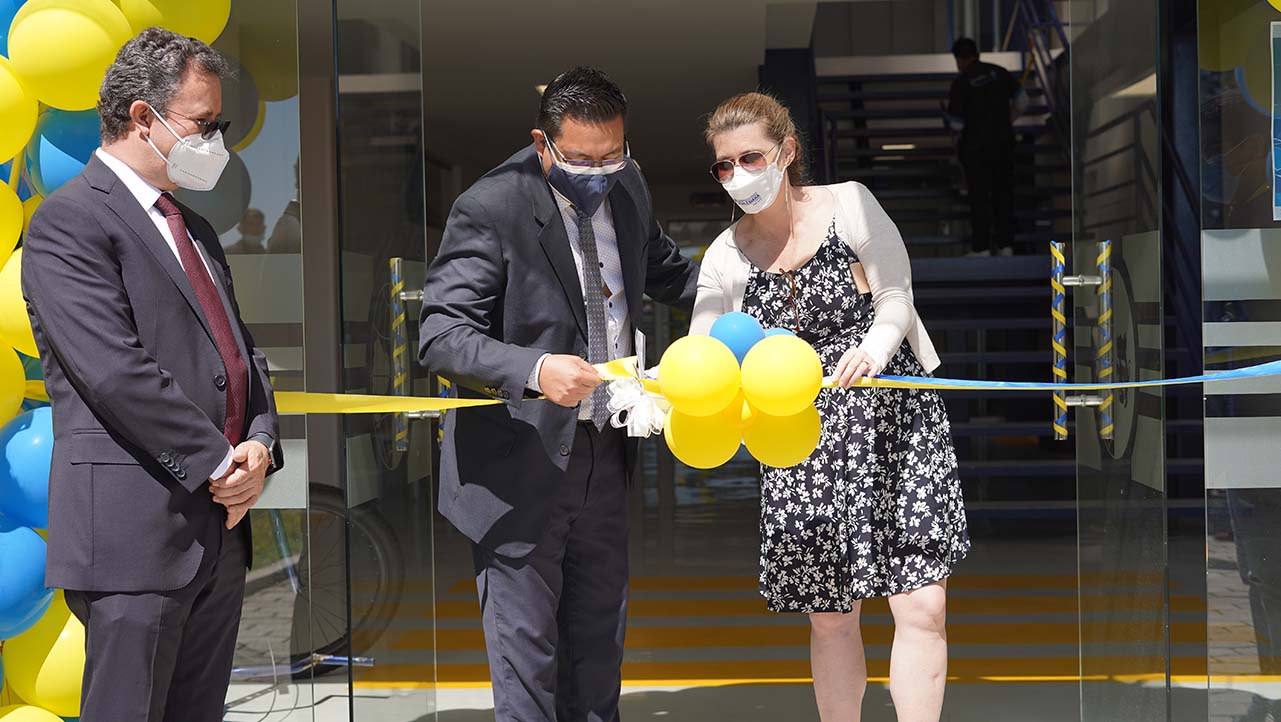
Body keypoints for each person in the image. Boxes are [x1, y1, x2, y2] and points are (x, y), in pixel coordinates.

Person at [418, 66, 697, 721]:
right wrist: (535, 368)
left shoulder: (628, 189)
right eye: (581, 159)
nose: (599, 173)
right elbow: (440, 334)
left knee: (597, 653)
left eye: (612, 156)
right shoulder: (491, 206)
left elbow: (665, 272)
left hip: (603, 455)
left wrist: (747, 308)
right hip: (517, 468)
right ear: (543, 144)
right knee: (528, 666)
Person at [21, 28, 283, 722]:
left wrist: (260, 444)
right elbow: (114, 370)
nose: (215, 139)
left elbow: (241, 357)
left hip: (217, 533)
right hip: (136, 537)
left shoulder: (193, 227)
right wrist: (217, 461)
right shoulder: (68, 222)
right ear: (144, 117)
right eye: (204, 123)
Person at [691, 92, 969, 722]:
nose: (738, 175)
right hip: (800, 437)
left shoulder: (850, 203)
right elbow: (705, 346)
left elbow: (895, 293)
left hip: (892, 420)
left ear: (786, 153)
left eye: (750, 158)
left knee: (922, 604)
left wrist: (872, 348)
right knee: (831, 615)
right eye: (723, 166)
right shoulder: (725, 256)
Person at [946, 38, 1026, 257]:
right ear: (977, 53)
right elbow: (1023, 101)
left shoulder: (961, 82)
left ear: (959, 59)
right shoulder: (999, 73)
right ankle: (1006, 245)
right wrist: (1007, 121)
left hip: (975, 148)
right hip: (1004, 144)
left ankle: (981, 247)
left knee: (979, 197)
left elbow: (955, 124)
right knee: (1004, 194)